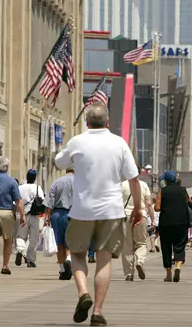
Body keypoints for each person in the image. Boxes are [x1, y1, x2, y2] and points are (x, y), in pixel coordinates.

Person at [55, 104, 142, 326]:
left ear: (86, 121)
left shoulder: (78, 141)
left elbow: (59, 162)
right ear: (107, 122)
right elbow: (133, 178)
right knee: (104, 260)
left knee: (76, 254)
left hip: (82, 209)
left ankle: (83, 292)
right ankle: (97, 312)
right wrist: (139, 208)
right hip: (111, 210)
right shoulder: (119, 143)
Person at [121, 166, 155, 281]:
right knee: (141, 243)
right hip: (141, 215)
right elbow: (149, 203)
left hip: (125, 216)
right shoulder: (143, 185)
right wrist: (153, 218)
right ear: (139, 172)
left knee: (127, 246)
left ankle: (129, 273)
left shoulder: (122, 185)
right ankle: (139, 261)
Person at [154, 170, 189, 282]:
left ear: (165, 180)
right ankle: (178, 266)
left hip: (166, 223)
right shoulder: (183, 190)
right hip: (181, 222)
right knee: (179, 245)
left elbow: (157, 208)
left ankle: (168, 274)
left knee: (166, 247)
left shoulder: (162, 191)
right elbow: (189, 203)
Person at [44, 167, 75, 280]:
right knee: (71, 243)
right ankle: (69, 259)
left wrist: (47, 217)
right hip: (73, 215)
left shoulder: (57, 182)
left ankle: (62, 270)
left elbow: (49, 202)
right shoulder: (80, 182)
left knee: (59, 244)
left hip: (57, 214)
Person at [15, 169, 45, 268]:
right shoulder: (37, 187)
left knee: (20, 236)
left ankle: (19, 250)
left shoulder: (20, 188)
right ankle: (31, 260)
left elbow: (15, 201)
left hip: (22, 214)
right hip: (34, 215)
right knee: (33, 238)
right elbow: (42, 200)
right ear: (35, 178)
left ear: (27, 177)